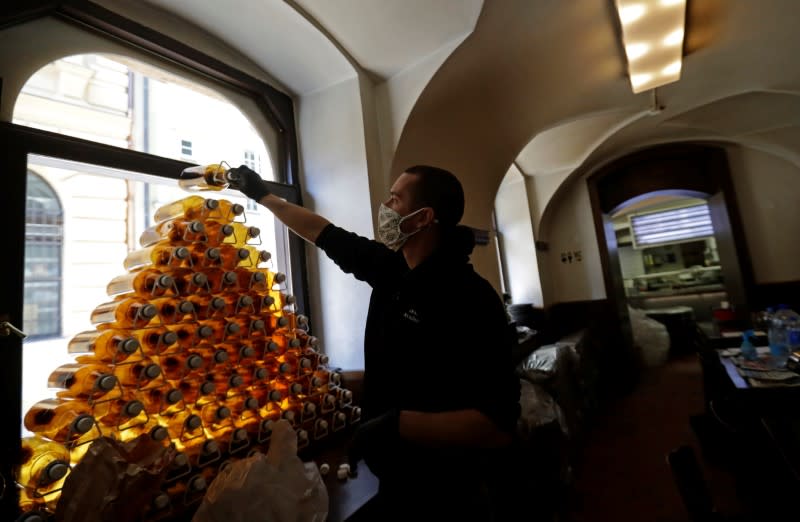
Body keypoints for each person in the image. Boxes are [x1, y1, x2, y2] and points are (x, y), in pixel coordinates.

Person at [231, 164, 521, 521]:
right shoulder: (392, 269)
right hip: (395, 477)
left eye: (395, 199)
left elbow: (496, 425)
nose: (385, 206)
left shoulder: (471, 298)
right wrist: (263, 195)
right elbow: (323, 232)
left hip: (449, 488)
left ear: (422, 218)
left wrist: (395, 424)